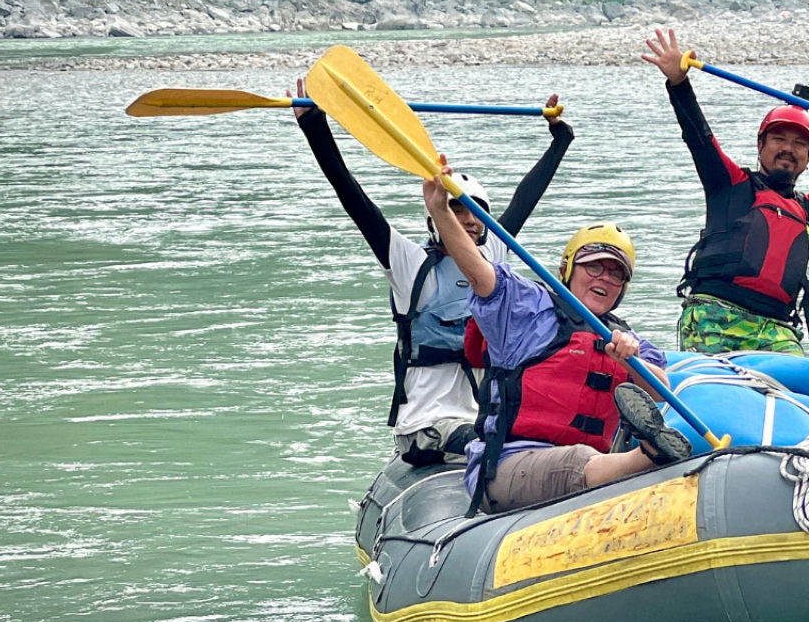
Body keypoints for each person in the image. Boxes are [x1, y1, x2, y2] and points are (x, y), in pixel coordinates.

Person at [292, 79, 570, 466]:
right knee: (501, 446)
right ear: (435, 219)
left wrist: (560, 139)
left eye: (477, 212)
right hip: (426, 426)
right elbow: (353, 196)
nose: (469, 220)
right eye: (457, 210)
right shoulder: (408, 263)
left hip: (481, 420)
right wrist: (313, 125)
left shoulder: (492, 255)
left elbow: (527, 196)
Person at [421, 167, 690, 513]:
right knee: (580, 459)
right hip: (506, 466)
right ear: (567, 269)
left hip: (591, 469)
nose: (605, 278)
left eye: (616, 274)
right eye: (594, 267)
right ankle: (649, 456)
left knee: (588, 459)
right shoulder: (526, 307)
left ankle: (647, 459)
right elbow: (479, 274)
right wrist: (441, 212)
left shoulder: (629, 340)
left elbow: (662, 390)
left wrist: (630, 361)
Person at [641, 29, 809, 355]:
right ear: (760, 146)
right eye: (778, 139)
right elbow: (699, 137)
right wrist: (679, 84)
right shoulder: (729, 184)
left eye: (799, 143)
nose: (788, 148)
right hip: (714, 316)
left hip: (777, 329)